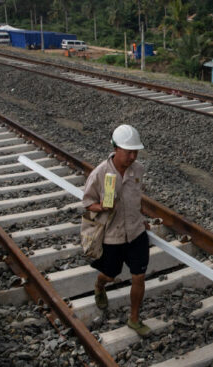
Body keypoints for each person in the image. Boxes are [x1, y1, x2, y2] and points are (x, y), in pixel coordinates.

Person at [82, 124, 151, 336]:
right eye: (128, 151)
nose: (132, 156)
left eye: (135, 152)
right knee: (110, 274)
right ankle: (100, 285)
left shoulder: (138, 170)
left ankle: (134, 319)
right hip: (113, 236)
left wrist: (141, 218)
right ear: (115, 148)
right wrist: (102, 206)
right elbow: (87, 204)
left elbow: (137, 198)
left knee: (139, 276)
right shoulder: (100, 173)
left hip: (136, 232)